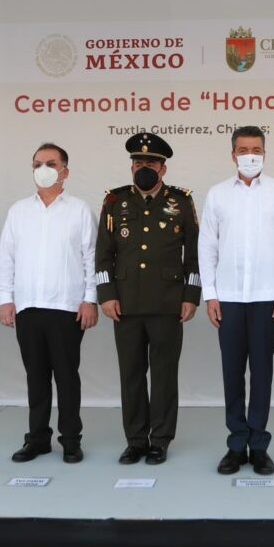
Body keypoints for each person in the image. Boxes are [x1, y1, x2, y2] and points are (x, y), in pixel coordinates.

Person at [200, 125, 274, 476]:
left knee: (261, 373)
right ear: (233, 155)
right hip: (227, 298)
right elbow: (207, 247)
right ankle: (235, 444)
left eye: (256, 148)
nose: (250, 155)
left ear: (265, 153)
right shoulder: (216, 195)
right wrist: (210, 295)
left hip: (266, 298)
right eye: (243, 149)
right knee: (231, 374)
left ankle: (258, 445)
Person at [95, 133, 200, 466]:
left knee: (165, 374)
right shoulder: (114, 201)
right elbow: (103, 255)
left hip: (168, 303)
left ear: (163, 168)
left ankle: (161, 439)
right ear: (131, 167)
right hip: (124, 303)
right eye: (138, 163)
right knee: (131, 374)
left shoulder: (181, 201)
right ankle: (136, 440)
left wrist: (191, 295)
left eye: (150, 163)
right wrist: (106, 294)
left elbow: (194, 255)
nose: (144, 168)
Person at [0, 143, 98, 464]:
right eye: (38, 163)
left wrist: (90, 300)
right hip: (27, 306)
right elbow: (6, 259)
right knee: (35, 377)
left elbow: (91, 259)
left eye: (51, 163)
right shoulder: (18, 211)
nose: (43, 168)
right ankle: (37, 439)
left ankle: (70, 439)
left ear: (64, 171)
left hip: (67, 307)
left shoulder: (79, 210)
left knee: (67, 376)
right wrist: (6, 300)